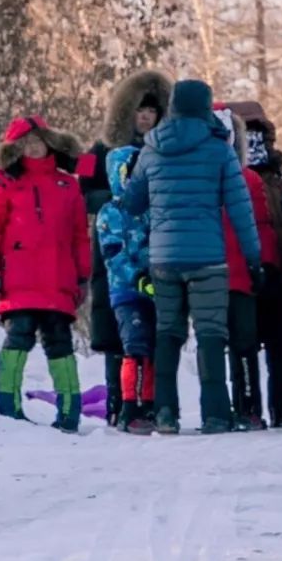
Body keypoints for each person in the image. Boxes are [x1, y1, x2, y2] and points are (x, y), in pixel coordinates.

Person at [121, 79, 261, 434]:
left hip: (164, 258)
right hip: (208, 260)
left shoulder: (151, 149)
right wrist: (254, 258)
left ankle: (166, 413)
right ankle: (215, 414)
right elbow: (240, 210)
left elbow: (133, 203)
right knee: (211, 334)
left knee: (168, 332)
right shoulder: (219, 150)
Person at [0, 115, 90, 432]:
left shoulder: (68, 185)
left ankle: (69, 413)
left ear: (50, 142)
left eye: (38, 141)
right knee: (18, 338)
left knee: (59, 342)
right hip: (18, 279)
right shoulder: (5, 183)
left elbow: (80, 235)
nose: (34, 148)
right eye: (26, 144)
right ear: (16, 149)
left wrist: (83, 276)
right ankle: (8, 408)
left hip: (58, 278)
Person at [76, 70, 171, 424]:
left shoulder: (165, 150)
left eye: (152, 111)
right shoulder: (100, 150)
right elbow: (80, 189)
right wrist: (115, 200)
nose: (145, 117)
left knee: (155, 329)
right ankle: (118, 398)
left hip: (159, 246)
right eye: (139, 110)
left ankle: (154, 401)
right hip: (113, 246)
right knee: (115, 324)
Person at [228, 99, 282, 427]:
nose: (253, 140)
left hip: (279, 269)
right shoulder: (227, 174)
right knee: (243, 342)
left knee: (280, 342)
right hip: (242, 272)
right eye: (247, 132)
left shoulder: (280, 174)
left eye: (258, 131)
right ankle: (247, 405)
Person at [216, 105, 274, 429]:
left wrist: (262, 266)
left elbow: (261, 227)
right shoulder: (200, 181)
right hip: (210, 275)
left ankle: (249, 406)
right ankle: (221, 408)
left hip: (242, 276)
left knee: (245, 344)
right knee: (215, 344)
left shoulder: (248, 179)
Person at [96, 146, 155, 433]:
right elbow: (113, 254)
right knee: (135, 345)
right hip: (127, 291)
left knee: (153, 346)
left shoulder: (149, 209)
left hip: (153, 288)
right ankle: (130, 406)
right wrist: (138, 277)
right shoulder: (111, 212)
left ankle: (150, 402)